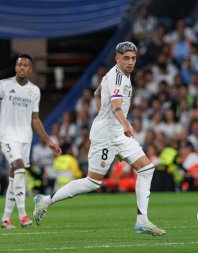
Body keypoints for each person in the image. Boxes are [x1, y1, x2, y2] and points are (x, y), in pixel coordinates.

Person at [33, 41, 166, 236]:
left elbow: (97, 93)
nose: (130, 62)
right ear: (117, 58)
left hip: (116, 133)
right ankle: (46, 200)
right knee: (92, 183)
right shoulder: (118, 77)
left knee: (146, 168)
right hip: (106, 135)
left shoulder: (113, 75)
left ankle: (142, 221)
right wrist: (125, 124)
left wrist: (102, 114)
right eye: (126, 58)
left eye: (133, 58)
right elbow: (115, 104)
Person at [0, 54, 62, 229]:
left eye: (26, 65)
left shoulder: (34, 91)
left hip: (25, 138)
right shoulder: (4, 86)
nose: (22, 68)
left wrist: (48, 140)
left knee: (15, 177)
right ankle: (23, 216)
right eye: (19, 65)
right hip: (7, 136)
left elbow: (35, 118)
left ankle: (5, 219)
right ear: (15, 68)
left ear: (30, 69)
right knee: (19, 167)